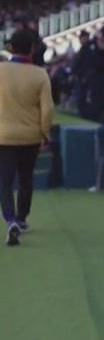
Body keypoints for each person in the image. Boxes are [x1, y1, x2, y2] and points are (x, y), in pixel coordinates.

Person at [0, 29, 54, 246]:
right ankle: (22, 219)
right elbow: (47, 109)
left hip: (3, 136)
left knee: (4, 183)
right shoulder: (40, 74)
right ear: (32, 48)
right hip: (30, 136)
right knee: (25, 179)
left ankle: (10, 219)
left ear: (11, 48)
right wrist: (45, 133)